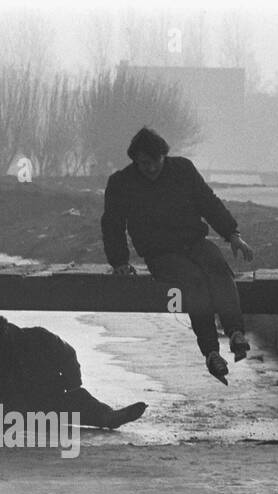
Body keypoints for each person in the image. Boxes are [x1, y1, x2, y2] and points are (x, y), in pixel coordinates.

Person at [102, 127, 255, 384]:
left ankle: (236, 333)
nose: (150, 169)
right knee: (193, 281)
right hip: (160, 253)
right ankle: (211, 352)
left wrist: (232, 235)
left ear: (164, 156)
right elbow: (112, 224)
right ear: (135, 161)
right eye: (144, 164)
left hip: (195, 242)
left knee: (218, 269)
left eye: (155, 162)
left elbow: (208, 203)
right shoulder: (121, 183)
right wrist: (119, 262)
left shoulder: (182, 170)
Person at [0, 316, 147, 429]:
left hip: (47, 401)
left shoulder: (39, 338)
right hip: (10, 408)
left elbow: (68, 356)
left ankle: (108, 418)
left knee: (80, 400)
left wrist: (72, 384)